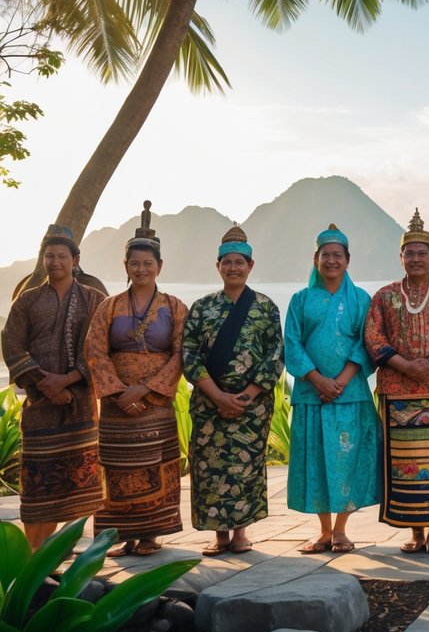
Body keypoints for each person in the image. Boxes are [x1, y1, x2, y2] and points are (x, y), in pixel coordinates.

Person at [84, 202, 187, 557]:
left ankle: (150, 534)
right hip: (116, 405)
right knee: (116, 468)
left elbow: (180, 353)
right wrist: (117, 392)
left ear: (159, 266)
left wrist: (147, 389)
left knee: (155, 466)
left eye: (148, 263)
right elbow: (95, 351)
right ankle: (119, 534)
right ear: (125, 266)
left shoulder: (175, 307)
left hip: (154, 403)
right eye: (135, 263)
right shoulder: (109, 306)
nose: (141, 268)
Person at [364, 210, 429, 555]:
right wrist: (404, 365)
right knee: (404, 465)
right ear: (401, 257)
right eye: (410, 253)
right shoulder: (384, 296)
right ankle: (414, 531)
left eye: (422, 253)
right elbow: (373, 337)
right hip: (397, 395)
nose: (416, 259)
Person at [181, 225, 284, 556]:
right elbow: (190, 354)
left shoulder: (265, 308)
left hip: (251, 407)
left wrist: (249, 394)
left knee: (245, 468)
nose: (234, 268)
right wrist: (217, 396)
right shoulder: (202, 308)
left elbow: (276, 355)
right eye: (227, 262)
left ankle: (241, 532)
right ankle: (219, 535)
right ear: (218, 266)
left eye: (240, 262)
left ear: (250, 266)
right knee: (210, 468)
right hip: (210, 404)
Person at [2, 225, 106, 548]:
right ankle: (36, 556)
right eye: (49, 256)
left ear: (76, 259)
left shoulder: (94, 300)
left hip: (80, 410)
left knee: (81, 484)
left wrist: (68, 379)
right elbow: (11, 344)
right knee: (38, 486)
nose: (55, 262)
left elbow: (100, 348)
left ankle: (70, 550)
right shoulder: (27, 301)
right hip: (40, 408)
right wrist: (45, 383)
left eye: (62, 256)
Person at [285, 224, 380, 554]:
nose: (331, 261)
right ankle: (323, 530)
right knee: (315, 460)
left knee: (347, 460)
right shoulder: (300, 300)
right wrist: (317, 379)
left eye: (337, 255)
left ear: (348, 260)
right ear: (315, 259)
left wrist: (340, 380)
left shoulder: (362, 300)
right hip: (313, 395)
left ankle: (341, 530)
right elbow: (292, 344)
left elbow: (367, 343)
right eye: (325, 255)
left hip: (350, 394)